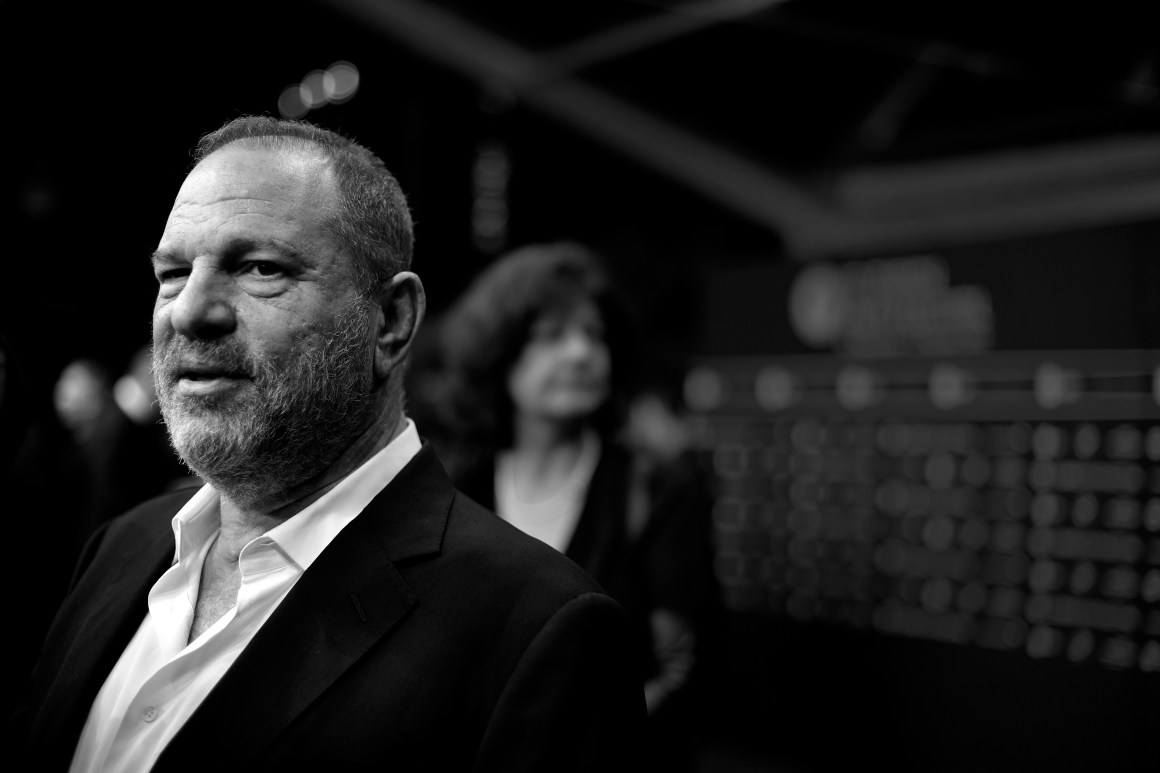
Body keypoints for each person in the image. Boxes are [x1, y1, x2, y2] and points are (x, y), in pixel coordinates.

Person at [11, 117, 645, 772]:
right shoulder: (119, 548)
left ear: (392, 320)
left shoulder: (541, 628)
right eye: (172, 272)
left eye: (260, 268)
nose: (188, 310)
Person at [433, 242, 720, 771]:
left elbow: (677, 670)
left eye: (594, 335)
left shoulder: (658, 488)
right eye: (551, 336)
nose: (581, 353)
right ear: (500, 352)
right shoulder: (454, 487)